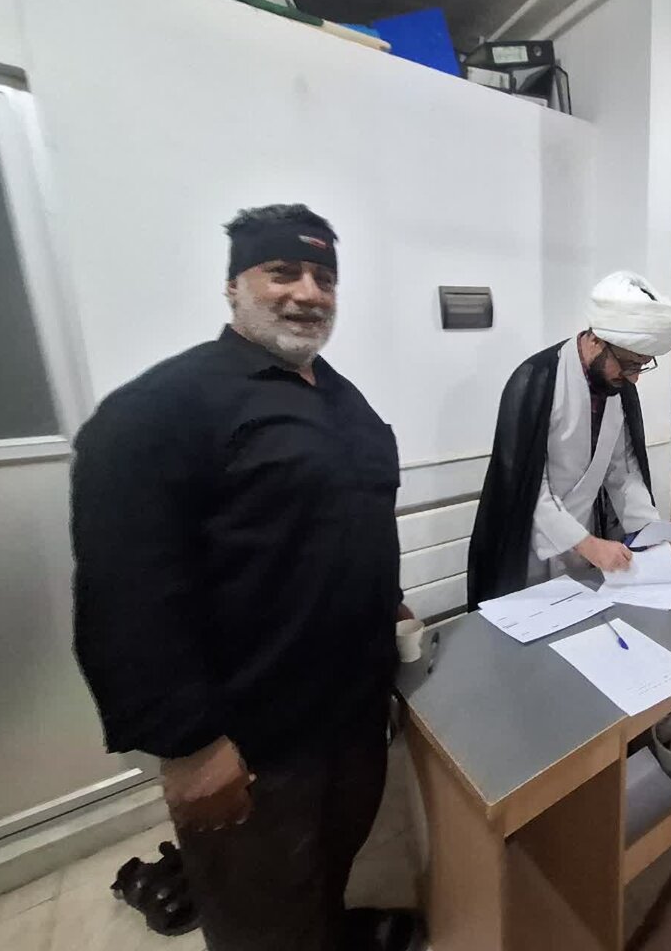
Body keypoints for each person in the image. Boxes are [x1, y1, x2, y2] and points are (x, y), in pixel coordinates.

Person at [71, 204, 419, 951]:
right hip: (255, 738)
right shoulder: (162, 410)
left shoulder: (343, 402)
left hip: (351, 711)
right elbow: (127, 594)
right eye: (282, 272)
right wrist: (191, 746)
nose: (307, 292)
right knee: (258, 903)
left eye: (323, 277)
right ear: (234, 286)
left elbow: (351, 524)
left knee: (328, 862)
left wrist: (390, 607)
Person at [467, 271, 671, 605]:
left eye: (642, 365)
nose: (634, 378)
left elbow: (623, 471)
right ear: (596, 340)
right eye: (628, 364)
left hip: (585, 540)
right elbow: (527, 486)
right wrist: (587, 544)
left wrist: (649, 531)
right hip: (530, 542)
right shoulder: (535, 381)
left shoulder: (618, 387)